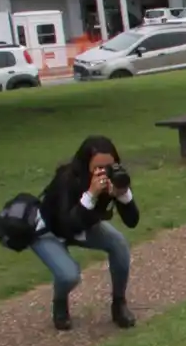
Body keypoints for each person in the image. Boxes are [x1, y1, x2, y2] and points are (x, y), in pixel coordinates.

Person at [35, 136, 140, 332]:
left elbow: (132, 221)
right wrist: (91, 195)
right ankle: (60, 304)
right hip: (50, 229)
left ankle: (119, 304)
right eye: (98, 168)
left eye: (110, 167)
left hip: (84, 224)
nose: (104, 173)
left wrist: (123, 194)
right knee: (68, 275)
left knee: (119, 244)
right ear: (85, 165)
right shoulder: (66, 179)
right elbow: (67, 227)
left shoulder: (116, 177)